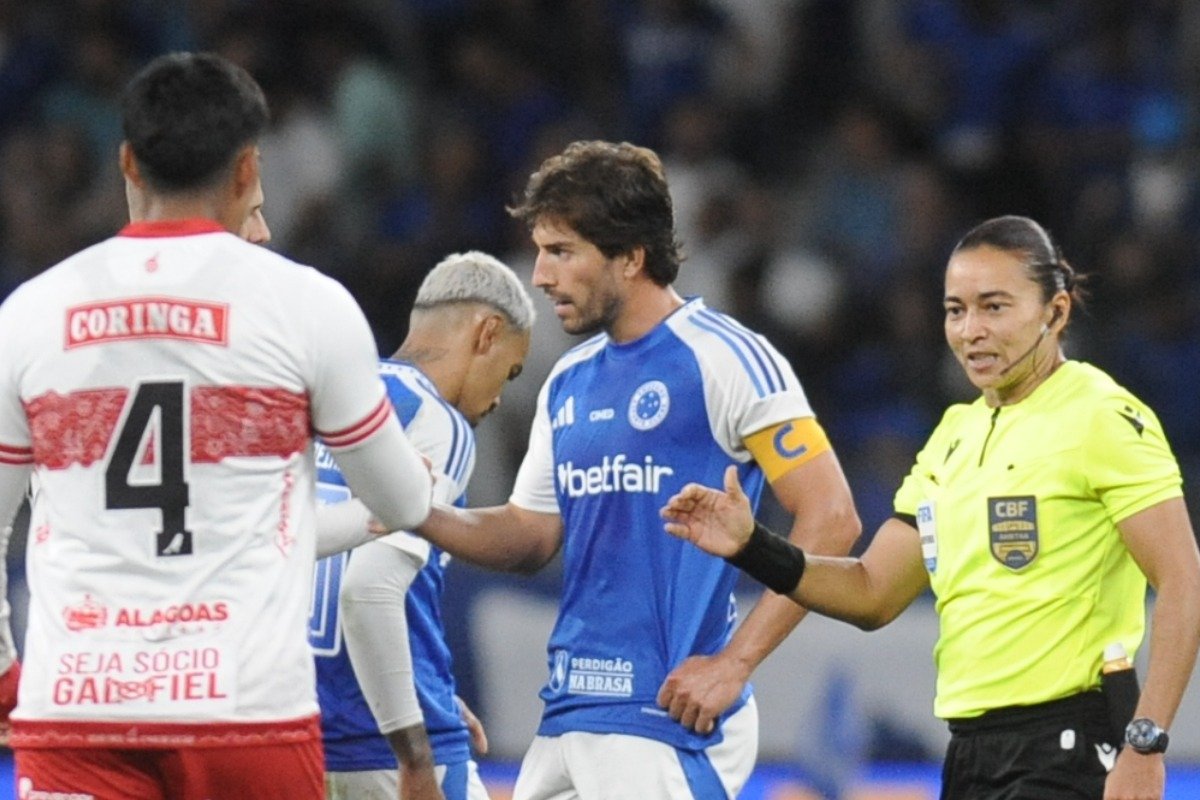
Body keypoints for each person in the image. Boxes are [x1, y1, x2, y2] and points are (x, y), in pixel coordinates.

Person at [0, 51, 435, 798]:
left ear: (128, 162)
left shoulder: (29, 314)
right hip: (248, 711)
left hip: (81, 711)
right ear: (246, 170)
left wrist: (8, 670)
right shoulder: (310, 306)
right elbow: (403, 506)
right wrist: (385, 502)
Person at [661, 215, 1200, 800]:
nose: (971, 330)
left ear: (1056, 312)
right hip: (970, 752)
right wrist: (752, 546)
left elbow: (1183, 579)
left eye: (994, 307)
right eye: (955, 310)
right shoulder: (954, 434)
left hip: (1069, 746)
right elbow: (872, 591)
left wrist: (1146, 743)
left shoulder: (1101, 416)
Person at [413, 140, 861, 799]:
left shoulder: (727, 358)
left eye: (561, 252)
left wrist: (734, 665)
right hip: (567, 714)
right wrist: (416, 511)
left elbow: (833, 517)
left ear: (630, 256)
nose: (539, 276)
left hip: (664, 720)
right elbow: (528, 534)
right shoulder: (569, 381)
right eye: (539, 251)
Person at [311, 250, 534, 800]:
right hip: (388, 750)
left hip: (299, 738)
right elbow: (367, 589)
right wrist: (414, 749)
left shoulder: (325, 401)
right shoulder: (437, 421)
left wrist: (412, 682)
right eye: (509, 370)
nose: (500, 395)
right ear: (487, 332)